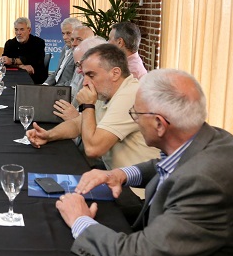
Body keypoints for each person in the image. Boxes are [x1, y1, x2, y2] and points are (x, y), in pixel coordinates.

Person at [56, 69, 233, 256]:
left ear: (160, 124)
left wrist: (80, 220)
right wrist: (120, 174)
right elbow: (167, 165)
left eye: (136, 114)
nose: (134, 118)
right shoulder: (211, 137)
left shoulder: (207, 183)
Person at [27, 44, 159, 182]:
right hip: (115, 179)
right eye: (84, 75)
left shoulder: (130, 95)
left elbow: (93, 149)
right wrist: (48, 135)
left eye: (91, 75)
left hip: (135, 192)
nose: (85, 82)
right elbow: (77, 124)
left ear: (115, 73)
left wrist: (88, 105)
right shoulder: (107, 91)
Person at [53, 36, 107, 120]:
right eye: (77, 65)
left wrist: (76, 117)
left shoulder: (109, 91)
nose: (78, 70)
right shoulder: (84, 77)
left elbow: (98, 130)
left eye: (80, 64)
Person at [0, 17, 48, 84]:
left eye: (22, 29)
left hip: (34, 79)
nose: (19, 33)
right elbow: (4, 63)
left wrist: (12, 61)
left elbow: (35, 61)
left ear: (29, 30)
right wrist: (20, 66)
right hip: (13, 78)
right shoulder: (10, 43)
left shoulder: (38, 42)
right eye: (16, 30)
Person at [43, 17, 81, 86]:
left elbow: (75, 81)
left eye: (68, 33)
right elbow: (57, 72)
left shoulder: (80, 52)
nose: (64, 37)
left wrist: (55, 89)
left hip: (65, 92)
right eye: (63, 33)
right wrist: (45, 84)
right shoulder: (65, 48)